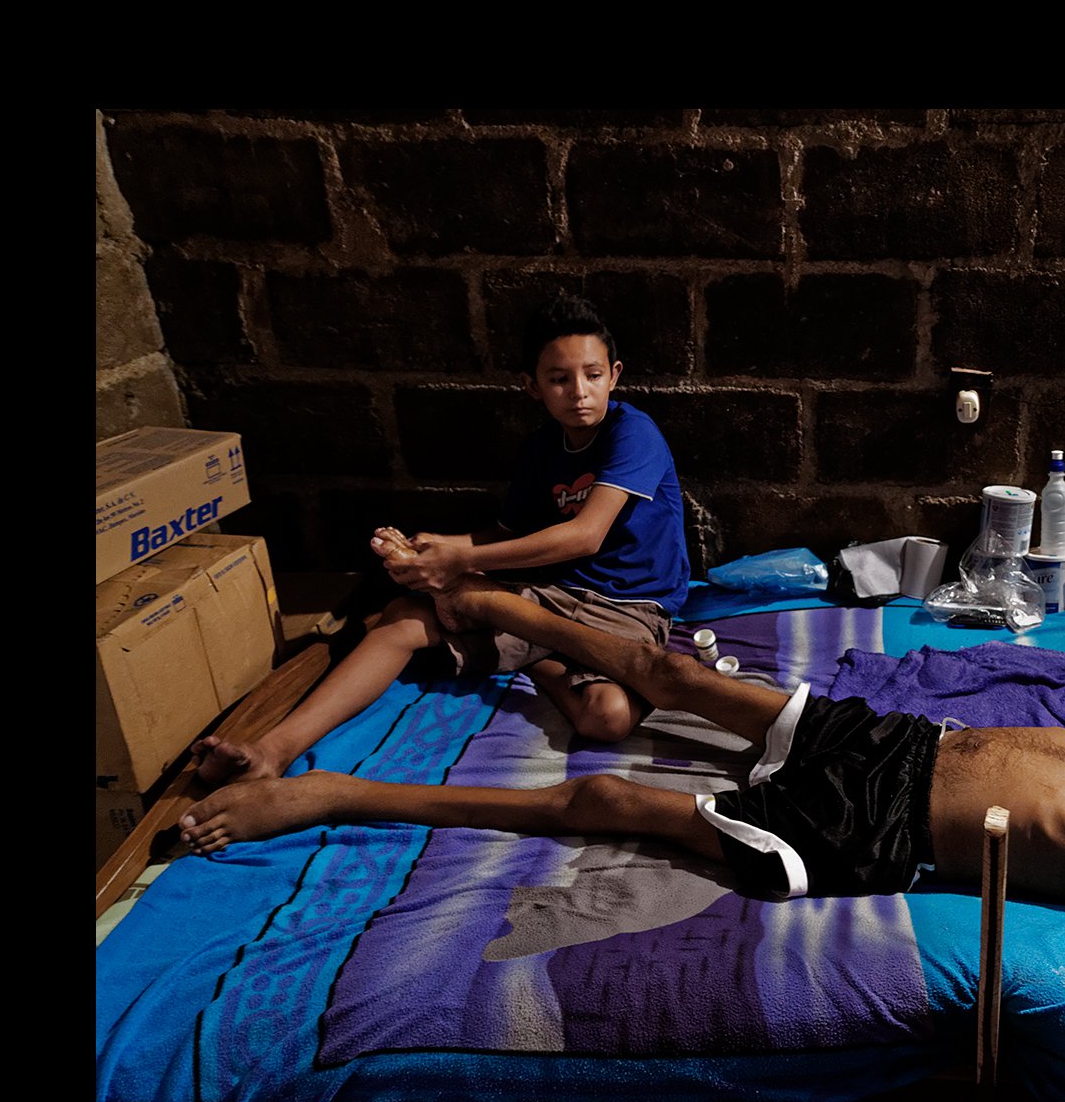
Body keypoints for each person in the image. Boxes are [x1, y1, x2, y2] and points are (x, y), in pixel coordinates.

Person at [180, 584, 1065, 975]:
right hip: (899, 743)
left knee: (608, 804)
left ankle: (330, 795)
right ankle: (469, 598)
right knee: (670, 669)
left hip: (881, 823)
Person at [188, 294, 689, 787]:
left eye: (592, 375)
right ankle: (272, 751)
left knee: (607, 719)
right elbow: (509, 533)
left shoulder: (633, 433)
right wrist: (438, 545)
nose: (578, 391)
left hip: (630, 604)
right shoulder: (541, 448)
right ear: (532, 386)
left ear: (615, 375)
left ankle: (539, 657)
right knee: (405, 618)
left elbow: (584, 535)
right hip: (549, 595)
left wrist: (462, 560)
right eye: (559, 379)